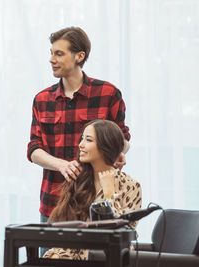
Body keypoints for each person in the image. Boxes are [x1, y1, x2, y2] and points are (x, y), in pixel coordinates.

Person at [27, 26, 131, 226]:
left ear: (79, 56)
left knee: (99, 258)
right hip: (54, 204)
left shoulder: (108, 94)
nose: (51, 59)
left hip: (99, 203)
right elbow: (33, 149)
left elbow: (123, 139)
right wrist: (61, 165)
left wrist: (118, 150)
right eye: (51, 53)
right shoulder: (41, 99)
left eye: (59, 54)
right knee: (50, 258)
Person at [43, 119, 142, 260]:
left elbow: (123, 232)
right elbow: (70, 234)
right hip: (76, 255)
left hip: (112, 257)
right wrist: (58, 254)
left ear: (105, 145)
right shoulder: (78, 178)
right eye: (82, 139)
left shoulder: (131, 186)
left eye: (88, 140)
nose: (80, 145)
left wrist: (110, 193)